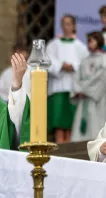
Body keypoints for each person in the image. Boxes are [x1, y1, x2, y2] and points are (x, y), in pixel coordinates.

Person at [46, 14, 89, 144]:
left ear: (74, 26)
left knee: (71, 122)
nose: (66, 26)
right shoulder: (53, 45)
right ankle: (59, 144)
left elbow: (85, 65)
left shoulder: (80, 46)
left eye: (69, 24)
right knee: (58, 121)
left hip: (73, 88)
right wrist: (60, 66)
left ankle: (69, 146)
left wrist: (73, 67)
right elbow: (47, 60)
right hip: (58, 88)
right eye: (64, 23)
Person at [71, 32, 106, 142]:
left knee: (96, 122)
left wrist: (85, 90)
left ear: (99, 41)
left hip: (97, 99)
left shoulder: (104, 59)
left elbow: (101, 78)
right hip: (83, 98)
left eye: (91, 41)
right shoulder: (85, 60)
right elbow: (76, 77)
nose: (89, 43)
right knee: (81, 122)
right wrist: (78, 91)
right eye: (88, 41)